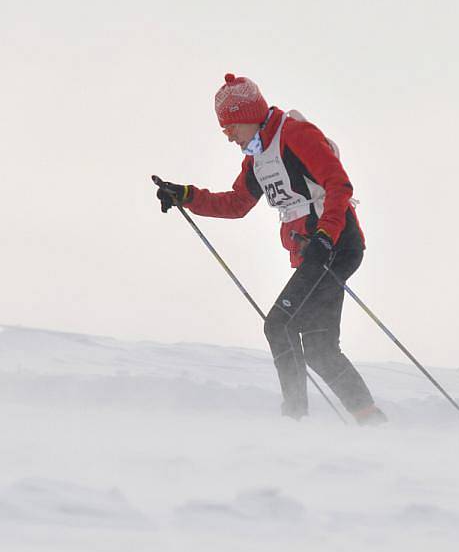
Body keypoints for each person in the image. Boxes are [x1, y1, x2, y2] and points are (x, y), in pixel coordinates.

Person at [156, 73, 386, 425]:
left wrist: (325, 236)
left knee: (279, 325)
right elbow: (236, 203)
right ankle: (371, 421)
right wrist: (186, 195)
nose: (229, 136)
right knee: (320, 350)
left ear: (249, 114)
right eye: (224, 130)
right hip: (315, 250)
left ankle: (294, 420)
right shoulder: (258, 157)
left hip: (335, 244)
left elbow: (338, 184)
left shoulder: (295, 135)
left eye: (231, 127)